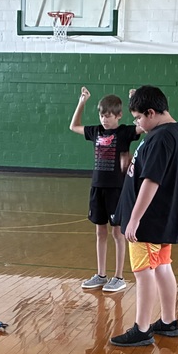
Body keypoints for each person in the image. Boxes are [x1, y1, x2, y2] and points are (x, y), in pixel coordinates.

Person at [110, 85, 178, 347]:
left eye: (138, 118)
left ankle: (142, 329)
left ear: (152, 112)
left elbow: (152, 180)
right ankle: (168, 321)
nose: (137, 124)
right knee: (163, 267)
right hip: (161, 219)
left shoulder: (161, 138)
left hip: (148, 221)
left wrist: (134, 219)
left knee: (144, 272)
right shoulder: (173, 132)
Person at [69, 86, 140, 293]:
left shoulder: (125, 132)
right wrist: (82, 101)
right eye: (102, 115)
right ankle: (101, 275)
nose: (104, 119)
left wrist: (135, 101)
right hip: (97, 188)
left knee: (117, 233)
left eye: (108, 116)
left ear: (118, 115)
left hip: (116, 190)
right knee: (100, 232)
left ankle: (119, 277)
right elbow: (74, 126)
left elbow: (143, 126)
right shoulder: (96, 132)